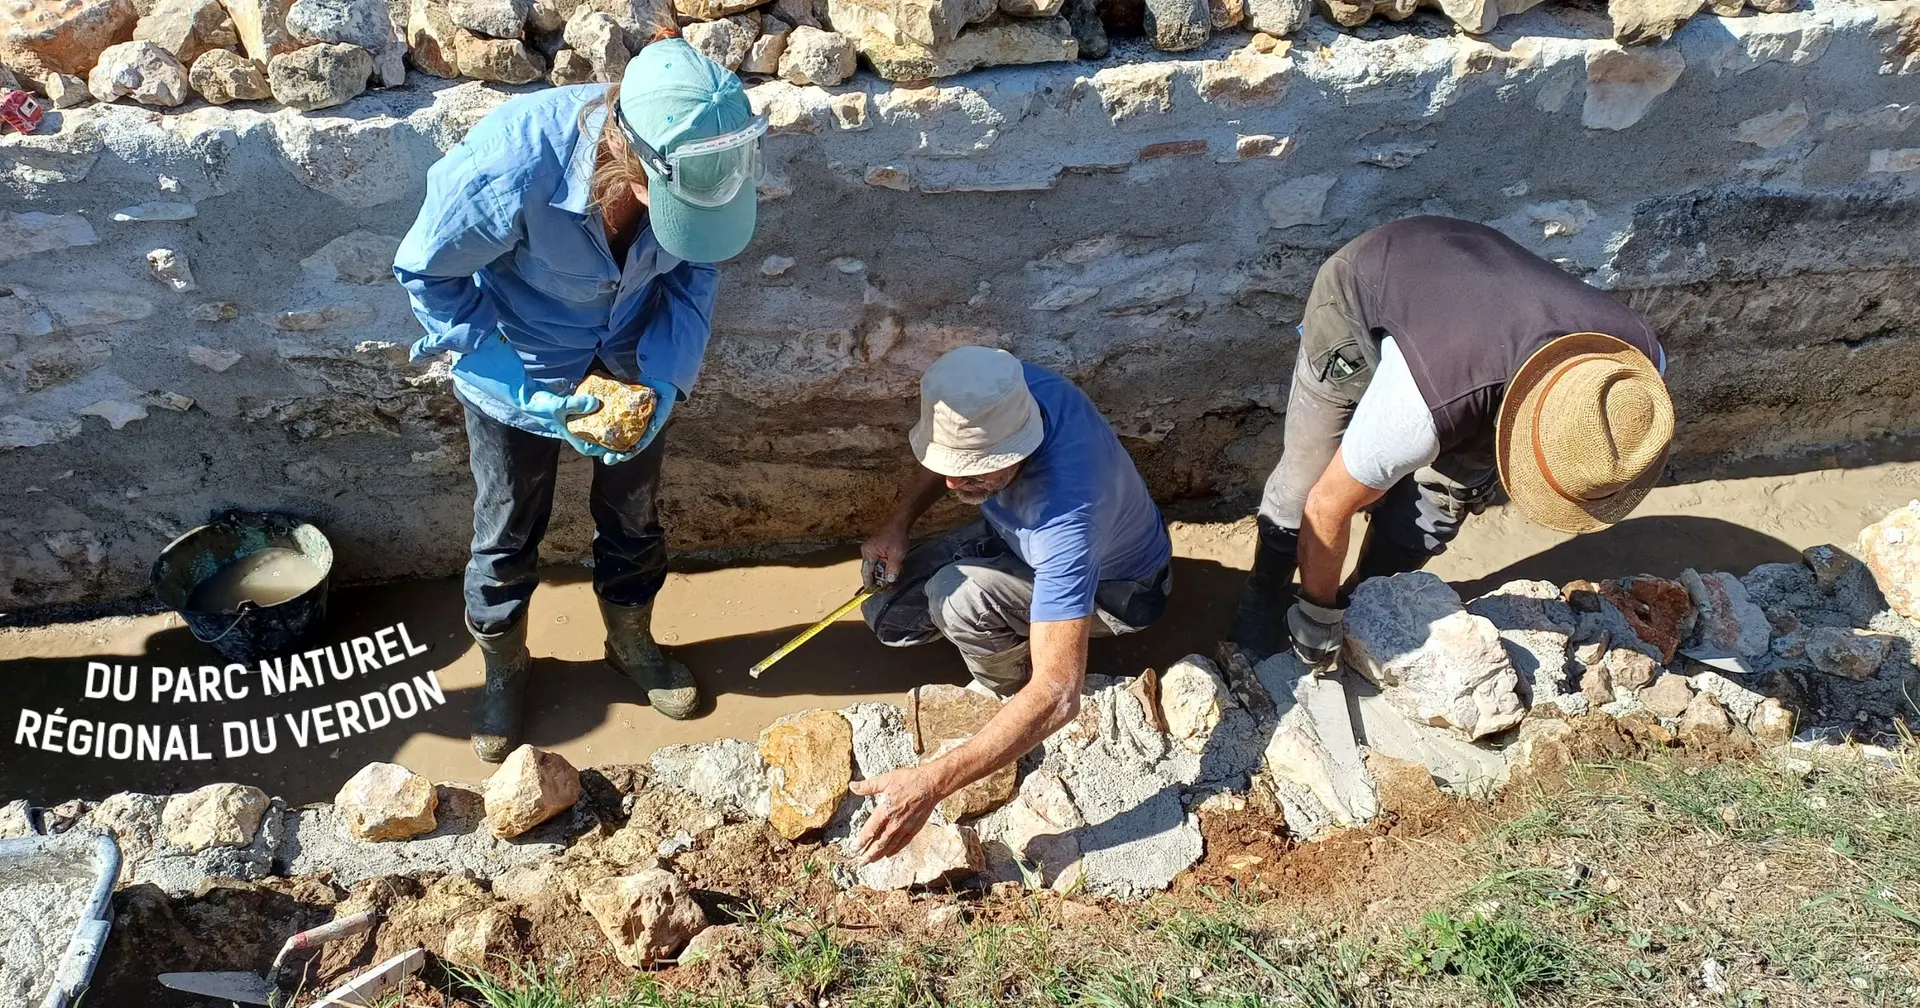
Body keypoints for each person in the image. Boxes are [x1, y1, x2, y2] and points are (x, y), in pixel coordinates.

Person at [393, 34, 767, 761]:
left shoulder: (714, 156)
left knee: (634, 515)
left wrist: (662, 379)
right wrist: (525, 389)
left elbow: (697, 272)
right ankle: (503, 666)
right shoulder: (515, 159)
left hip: (634, 362)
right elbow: (426, 274)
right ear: (628, 162)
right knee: (506, 527)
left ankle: (631, 642)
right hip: (516, 363)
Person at [1229, 215, 1675, 668]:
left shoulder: (1632, 376)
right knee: (1309, 477)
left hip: (1479, 342)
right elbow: (1325, 506)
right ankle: (1264, 595)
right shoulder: (1427, 407)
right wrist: (1317, 613)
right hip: (1366, 292)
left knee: (1431, 511)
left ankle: (1367, 600)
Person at [847, 346, 1174, 861]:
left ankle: (1004, 685)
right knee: (887, 615)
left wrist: (933, 783)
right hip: (1016, 540)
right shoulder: (1005, 391)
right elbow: (951, 457)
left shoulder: (1067, 516)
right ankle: (1007, 625)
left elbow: (1060, 694)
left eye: (974, 473)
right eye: (951, 466)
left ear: (1018, 451)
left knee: (957, 601)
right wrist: (899, 524)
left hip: (1119, 592)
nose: (953, 484)